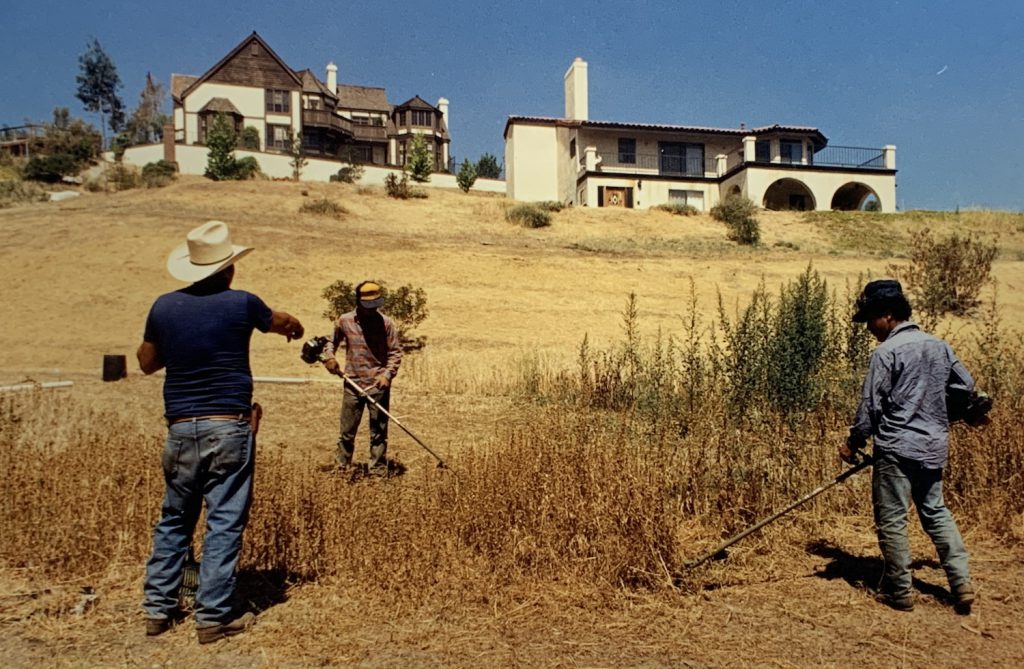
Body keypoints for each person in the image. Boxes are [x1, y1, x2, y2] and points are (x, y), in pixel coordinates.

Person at [138, 221, 303, 643]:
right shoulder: (242, 304)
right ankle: (212, 616)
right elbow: (280, 321)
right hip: (228, 426)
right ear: (228, 269)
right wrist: (293, 326)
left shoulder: (164, 306)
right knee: (224, 520)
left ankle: (157, 610)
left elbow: (146, 362)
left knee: (174, 518)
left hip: (179, 427)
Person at [839, 279, 975, 614]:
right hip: (932, 446)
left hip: (897, 448)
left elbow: (870, 407)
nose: (869, 327)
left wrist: (853, 442)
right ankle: (962, 584)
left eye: (870, 319)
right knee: (936, 512)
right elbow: (966, 386)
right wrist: (947, 411)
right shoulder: (939, 346)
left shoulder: (886, 352)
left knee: (892, 519)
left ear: (887, 315)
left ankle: (900, 592)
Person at [321, 280, 402, 473]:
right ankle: (342, 469)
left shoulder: (386, 323)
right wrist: (329, 359)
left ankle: (378, 471)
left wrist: (387, 375)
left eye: (375, 305)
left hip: (378, 385)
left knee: (379, 433)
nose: (371, 310)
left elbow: (396, 353)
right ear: (358, 301)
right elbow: (329, 344)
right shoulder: (344, 320)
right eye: (368, 305)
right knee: (347, 433)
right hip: (352, 384)